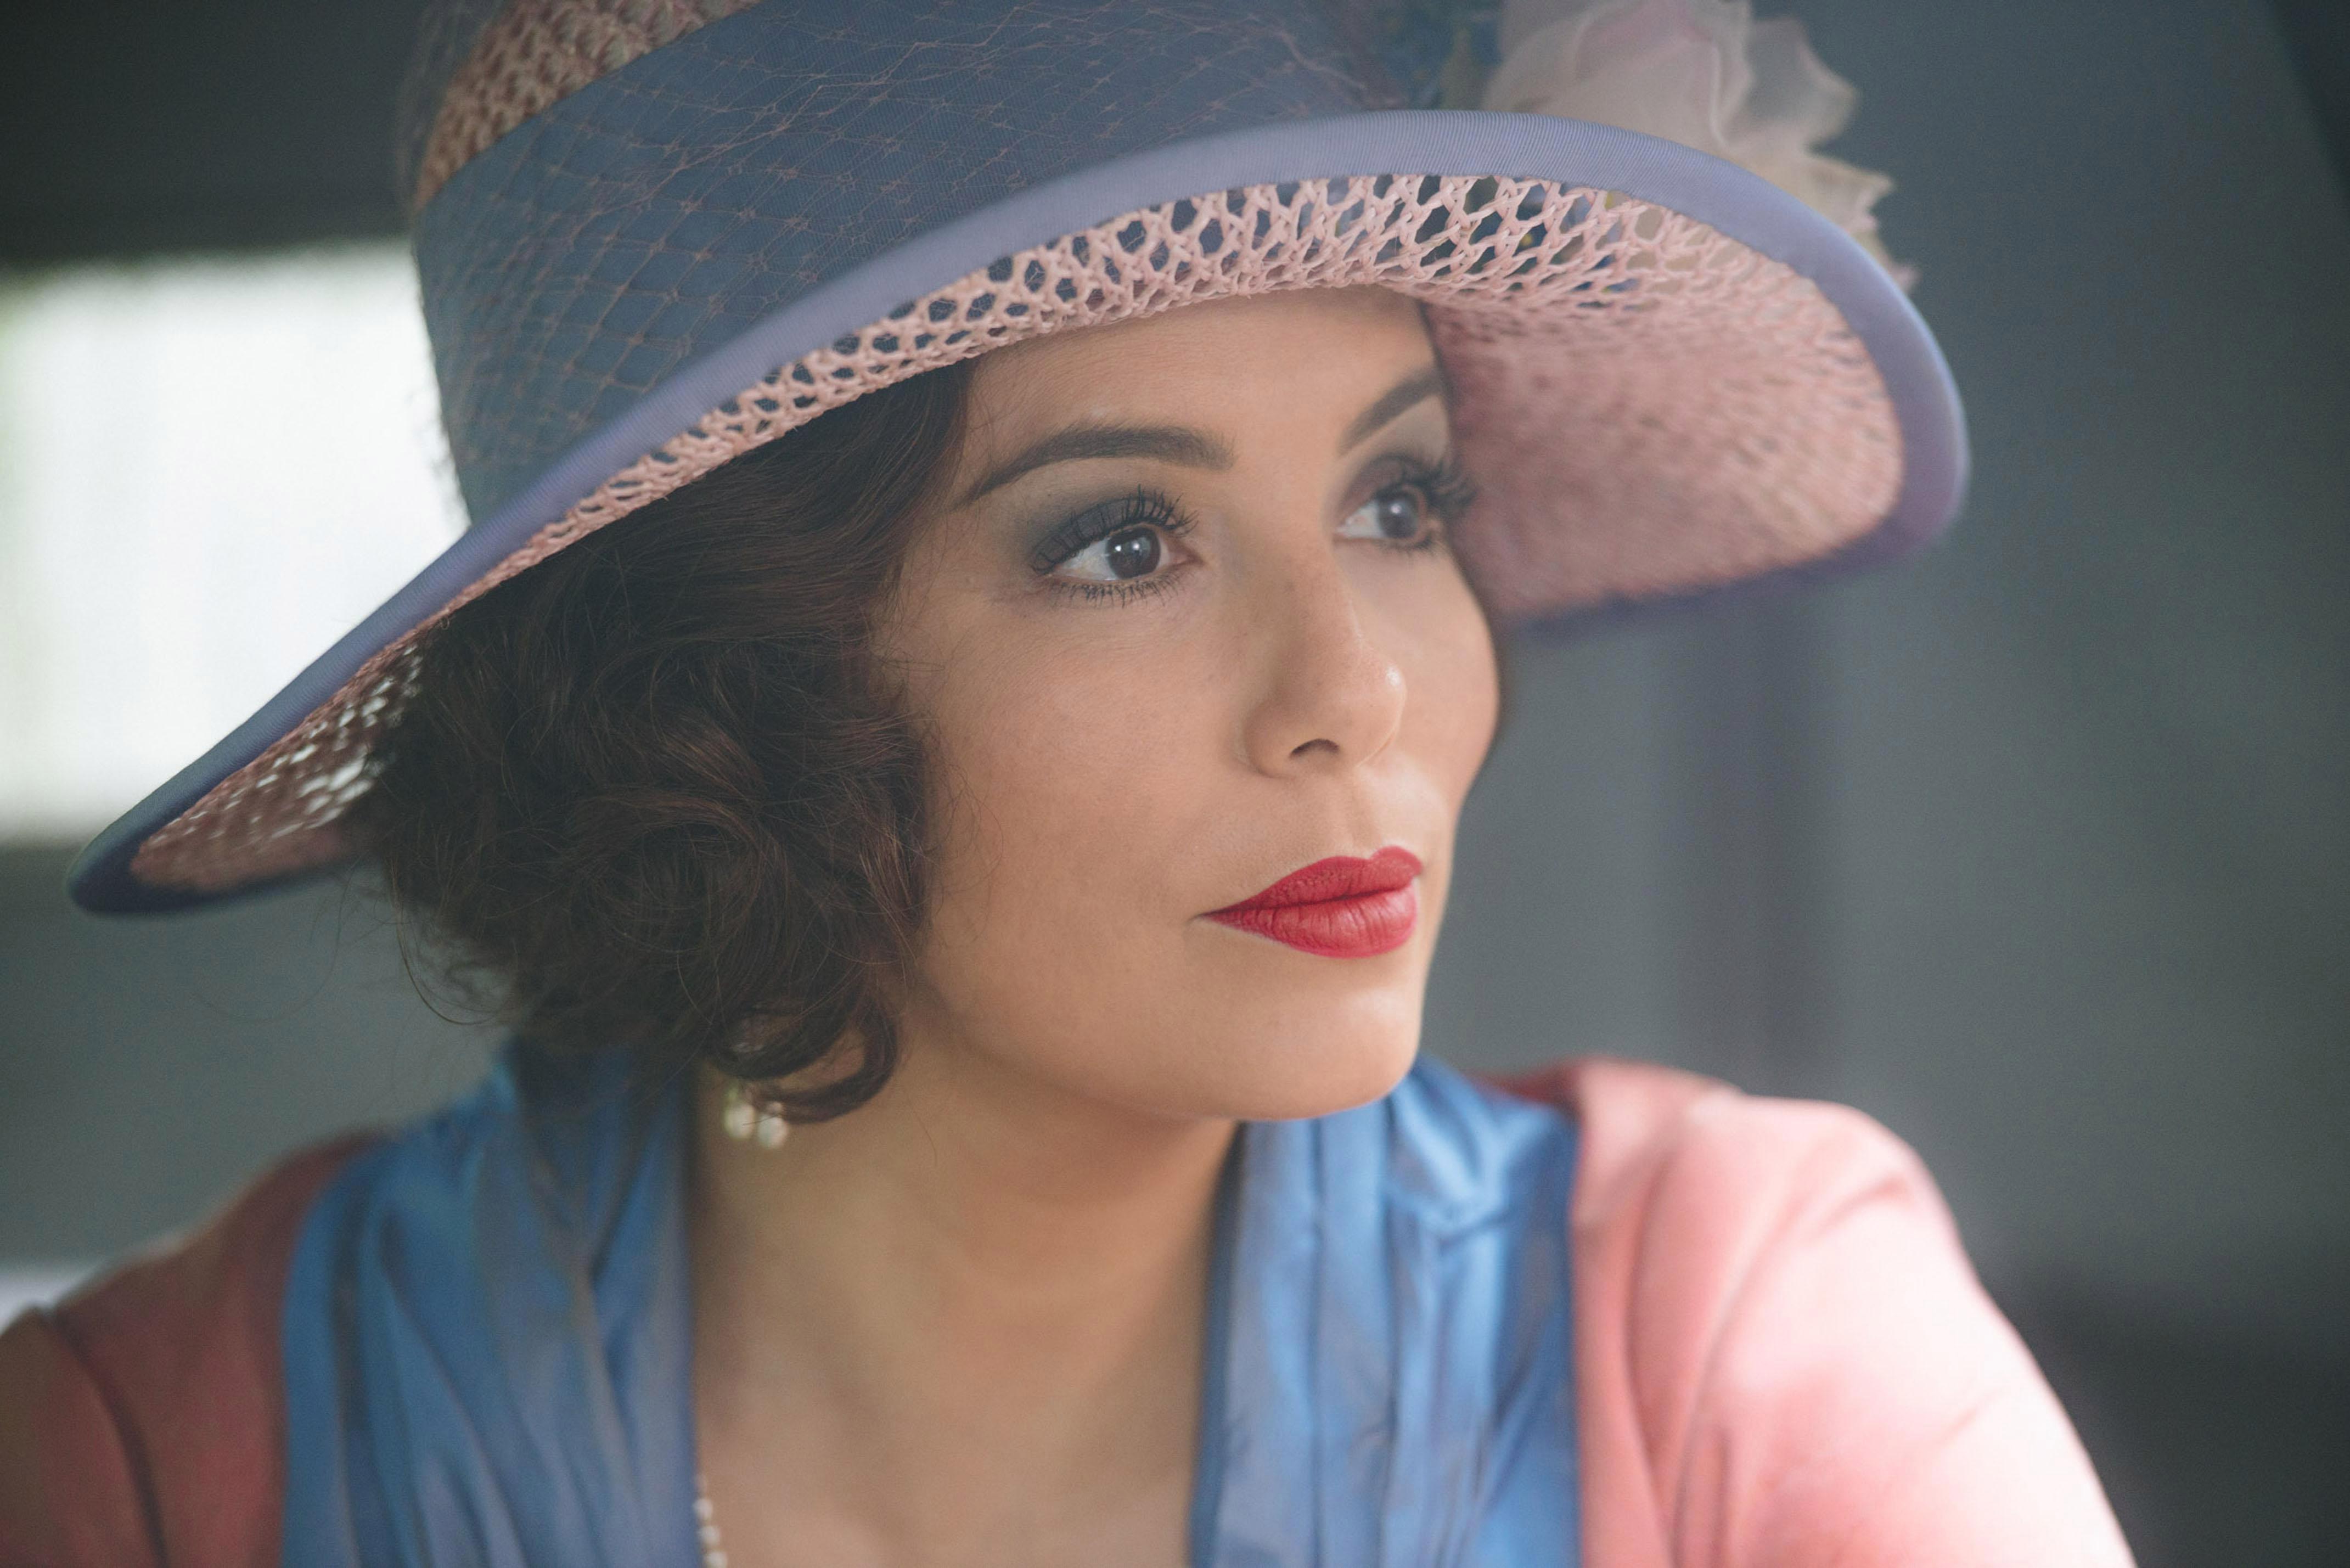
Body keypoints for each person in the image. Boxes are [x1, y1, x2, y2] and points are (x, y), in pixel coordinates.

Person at [0, 1, 2135, 1563]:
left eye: (1399, 500)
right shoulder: (151, 1458)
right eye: (1122, 540)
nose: (1355, 689)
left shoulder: (1737, 1333)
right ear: (723, 696)